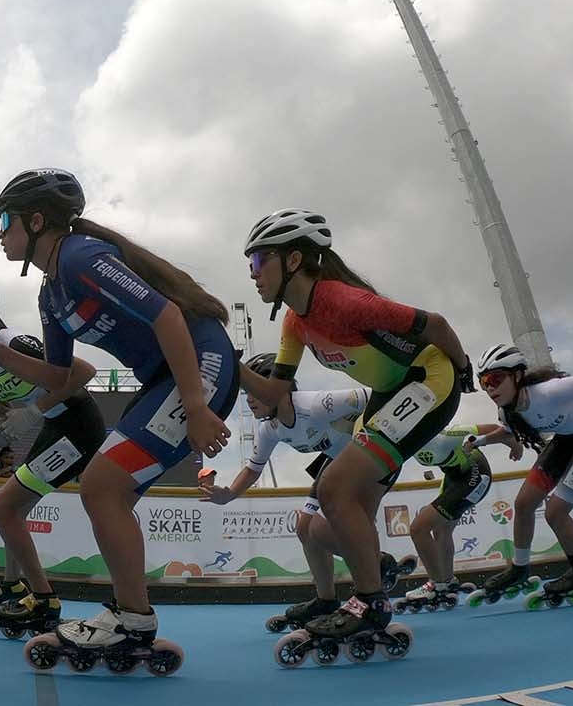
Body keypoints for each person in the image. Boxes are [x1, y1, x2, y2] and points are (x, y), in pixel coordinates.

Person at [0, 167, 233, 669]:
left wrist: (195, 405)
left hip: (197, 363)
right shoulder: (50, 291)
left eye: (4, 219)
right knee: (105, 490)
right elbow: (59, 375)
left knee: (102, 486)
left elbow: (167, 315)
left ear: (36, 221)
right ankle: (131, 616)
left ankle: (132, 621)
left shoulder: (81, 257)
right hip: (165, 379)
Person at [237, 208, 466, 642]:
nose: (252, 274)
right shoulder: (294, 321)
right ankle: (359, 591)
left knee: (333, 487)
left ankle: (370, 602)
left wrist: (465, 369)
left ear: (293, 261)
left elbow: (435, 324)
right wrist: (231, 366)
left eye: (258, 260)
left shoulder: (341, 301)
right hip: (389, 392)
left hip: (429, 379)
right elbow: (272, 394)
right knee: (338, 513)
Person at [0, 274, 105, 633]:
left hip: (77, 427)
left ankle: (44, 599)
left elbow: (84, 372)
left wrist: (34, 410)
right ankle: (12, 585)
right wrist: (0, 409)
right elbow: (15, 397)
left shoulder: (10, 341)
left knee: (2, 508)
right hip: (56, 428)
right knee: (14, 510)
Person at [201, 353, 367, 627]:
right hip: (336, 461)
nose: (249, 400)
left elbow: (377, 396)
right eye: (246, 394)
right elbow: (253, 469)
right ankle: (327, 600)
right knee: (304, 529)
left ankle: (375, 570)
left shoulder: (316, 405)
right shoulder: (271, 429)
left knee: (320, 530)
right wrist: (228, 494)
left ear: (278, 389)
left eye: (253, 391)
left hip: (368, 459)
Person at [470, 344, 573, 604]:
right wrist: (481, 441)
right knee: (524, 503)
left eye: (495, 379)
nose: (490, 388)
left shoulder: (547, 392)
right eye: (484, 382)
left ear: (517, 376)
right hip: (566, 439)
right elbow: (508, 432)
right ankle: (519, 568)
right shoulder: (506, 410)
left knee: (555, 512)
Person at [400, 421, 514, 610]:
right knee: (440, 530)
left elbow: (493, 428)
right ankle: (446, 580)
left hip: (475, 476)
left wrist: (514, 445)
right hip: (454, 476)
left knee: (418, 528)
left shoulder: (445, 438)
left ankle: (437, 585)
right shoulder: (405, 441)